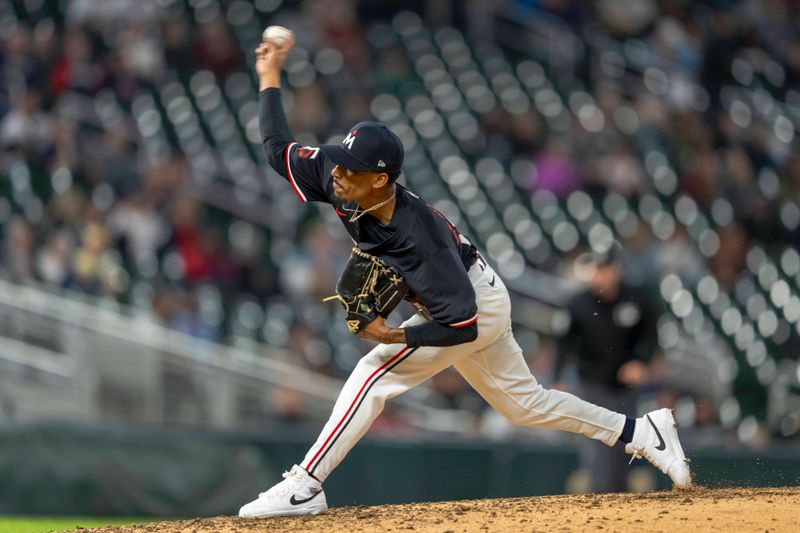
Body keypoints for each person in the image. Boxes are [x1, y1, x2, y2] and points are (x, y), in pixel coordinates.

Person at [238, 31, 692, 519]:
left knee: (372, 375)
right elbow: (275, 147)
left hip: (468, 302)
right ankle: (641, 431)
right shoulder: (340, 178)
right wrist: (269, 75)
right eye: (340, 163)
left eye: (351, 168)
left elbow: (464, 325)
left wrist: (392, 334)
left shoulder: (420, 239)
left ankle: (306, 484)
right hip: (463, 297)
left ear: (381, 179)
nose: (338, 174)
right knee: (526, 406)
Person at [555, 248, 661, 492]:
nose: (602, 275)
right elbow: (564, 343)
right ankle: (601, 498)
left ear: (617, 270)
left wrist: (641, 361)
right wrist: (559, 377)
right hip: (591, 381)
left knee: (625, 442)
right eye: (597, 269)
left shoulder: (638, 298)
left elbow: (651, 334)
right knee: (599, 442)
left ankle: (619, 500)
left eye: (606, 268)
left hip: (626, 384)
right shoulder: (578, 303)